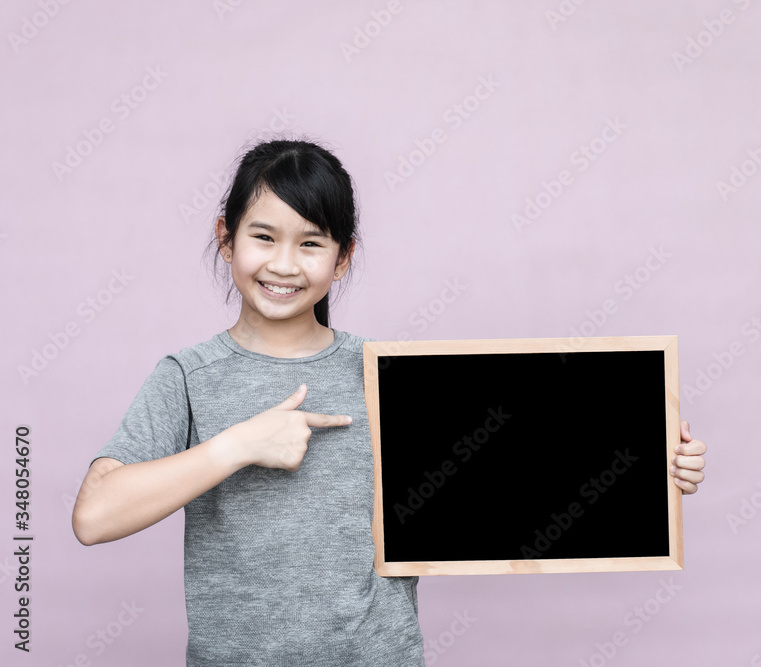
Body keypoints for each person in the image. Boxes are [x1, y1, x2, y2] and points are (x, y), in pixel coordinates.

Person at [71, 137, 709, 666]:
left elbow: (521, 473)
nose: (284, 264)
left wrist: (650, 467)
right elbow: (94, 516)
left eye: (312, 242)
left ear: (343, 258)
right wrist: (236, 446)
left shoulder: (391, 378)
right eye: (263, 237)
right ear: (226, 236)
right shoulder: (188, 376)